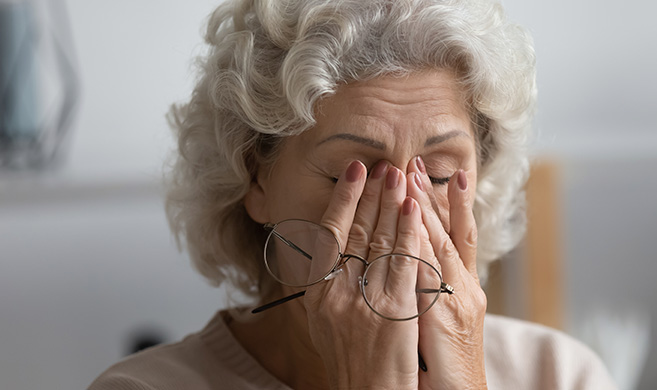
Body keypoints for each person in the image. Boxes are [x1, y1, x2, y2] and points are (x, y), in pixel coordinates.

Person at [90, 0, 616, 388]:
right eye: (354, 174)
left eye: (436, 174)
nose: (404, 215)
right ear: (255, 177)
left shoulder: (560, 374)